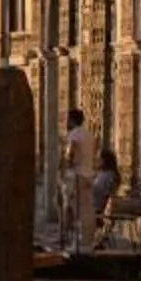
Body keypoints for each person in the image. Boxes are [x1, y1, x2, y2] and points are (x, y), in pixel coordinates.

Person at [62, 106, 96, 251]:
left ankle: (77, 242)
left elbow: (71, 153)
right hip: (89, 174)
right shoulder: (89, 135)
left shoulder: (74, 134)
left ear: (72, 120)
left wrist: (66, 164)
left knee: (73, 208)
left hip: (77, 175)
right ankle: (87, 241)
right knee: (87, 209)